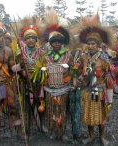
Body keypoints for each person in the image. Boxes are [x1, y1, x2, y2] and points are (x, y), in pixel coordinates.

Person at [79, 14, 112, 145]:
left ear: (98, 45)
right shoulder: (83, 57)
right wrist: (79, 77)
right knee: (89, 114)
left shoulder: (104, 58)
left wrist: (109, 92)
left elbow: (110, 75)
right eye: (89, 43)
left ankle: (102, 137)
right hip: (88, 90)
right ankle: (91, 136)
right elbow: (77, 71)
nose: (91, 46)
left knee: (100, 114)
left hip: (98, 90)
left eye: (93, 43)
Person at [41, 9, 71, 140]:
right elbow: (41, 72)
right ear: (51, 43)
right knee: (51, 110)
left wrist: (69, 71)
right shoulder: (45, 56)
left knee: (62, 110)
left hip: (63, 89)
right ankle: (53, 130)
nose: (57, 43)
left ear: (62, 42)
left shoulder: (68, 55)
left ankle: (62, 132)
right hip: (50, 89)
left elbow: (73, 71)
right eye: (54, 42)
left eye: (59, 41)